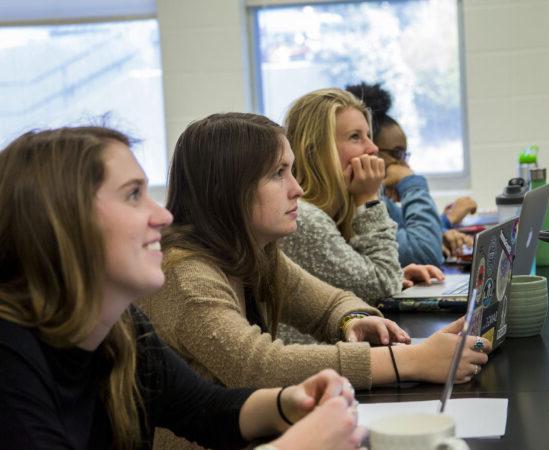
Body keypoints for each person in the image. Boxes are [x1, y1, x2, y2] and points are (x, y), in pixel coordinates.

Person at [0, 126, 366, 450]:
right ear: (63, 222)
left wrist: (288, 401)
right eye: (132, 195)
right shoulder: (10, 361)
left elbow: (204, 408)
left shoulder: (120, 327)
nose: (163, 217)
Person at [139, 113, 490, 448]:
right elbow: (259, 366)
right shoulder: (185, 276)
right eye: (278, 174)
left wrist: (353, 320)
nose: (298, 189)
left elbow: (331, 302)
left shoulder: (254, 251)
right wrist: (410, 360)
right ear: (226, 189)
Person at [281, 88, 443, 303]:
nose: (373, 148)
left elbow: (351, 284)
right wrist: (368, 197)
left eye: (368, 136)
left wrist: (397, 275)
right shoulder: (303, 217)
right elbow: (383, 282)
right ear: (315, 152)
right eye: (355, 137)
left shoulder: (338, 209)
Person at [345, 82, 477, 261]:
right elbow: (424, 252)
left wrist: (443, 228)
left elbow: (409, 231)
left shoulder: (380, 201)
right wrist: (410, 182)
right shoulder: (354, 205)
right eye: (397, 153)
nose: (404, 165)